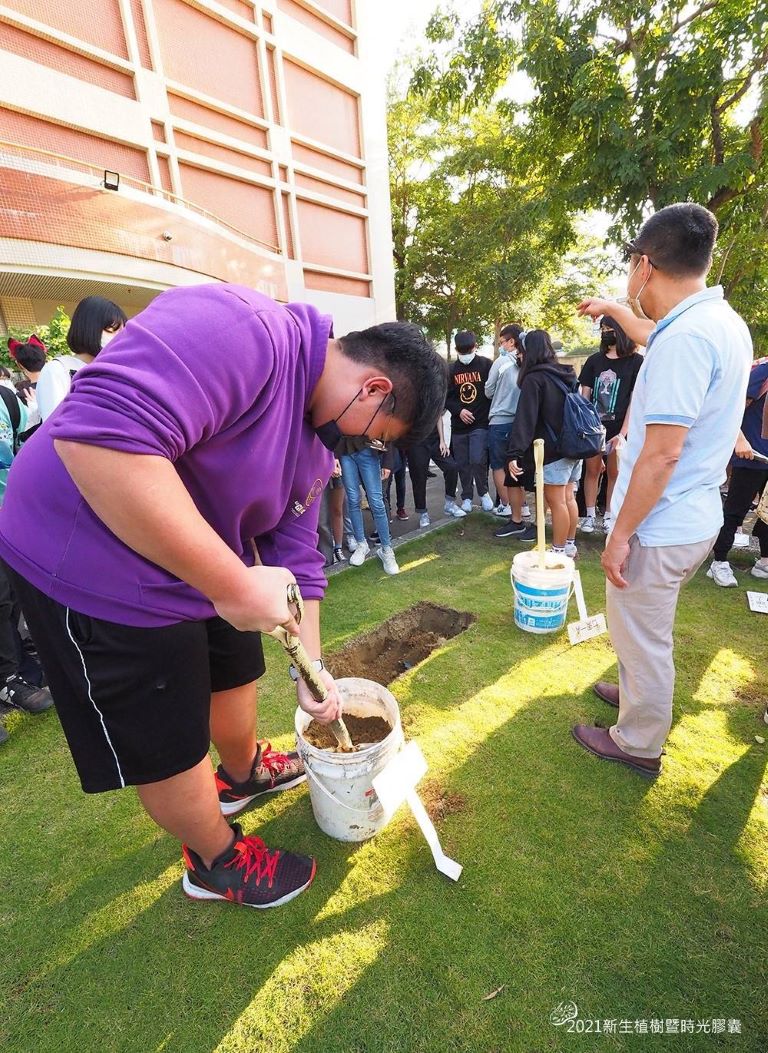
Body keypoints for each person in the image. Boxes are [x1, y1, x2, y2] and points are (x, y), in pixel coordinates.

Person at [0, 284, 446, 908]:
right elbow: (95, 438)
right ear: (372, 389)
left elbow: (297, 560)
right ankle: (214, 858)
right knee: (167, 723)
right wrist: (233, 584)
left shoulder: (314, 444)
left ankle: (240, 775)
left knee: (236, 662)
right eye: (375, 436)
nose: (362, 448)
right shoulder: (241, 330)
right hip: (88, 557)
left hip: (202, 557)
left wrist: (310, 669)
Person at [574, 202, 752, 777]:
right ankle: (636, 699)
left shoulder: (688, 338)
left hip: (660, 521)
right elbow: (654, 332)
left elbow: (663, 452)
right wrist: (613, 309)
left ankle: (637, 741)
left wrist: (619, 534)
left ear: (644, 265)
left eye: (631, 271)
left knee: (642, 634)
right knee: (641, 626)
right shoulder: (717, 322)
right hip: (693, 515)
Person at [506, 329, 582, 555]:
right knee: (568, 497)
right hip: (574, 445)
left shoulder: (535, 378)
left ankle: (558, 550)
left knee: (556, 500)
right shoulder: (566, 373)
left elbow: (525, 419)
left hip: (551, 449)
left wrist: (514, 452)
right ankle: (568, 545)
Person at [578, 316, 644, 533]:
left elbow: (635, 400)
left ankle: (609, 515)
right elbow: (584, 398)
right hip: (593, 427)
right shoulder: (594, 361)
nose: (605, 332)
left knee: (615, 473)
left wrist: (624, 433)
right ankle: (588, 515)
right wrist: (586, 426)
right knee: (592, 470)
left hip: (620, 427)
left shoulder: (636, 362)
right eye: (603, 328)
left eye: (609, 328)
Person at [707, 356, 768, 586]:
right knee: (735, 510)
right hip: (751, 455)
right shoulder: (761, 372)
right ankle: (719, 562)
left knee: (767, 512)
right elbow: (732, 410)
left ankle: (764, 562)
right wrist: (740, 440)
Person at [36, 296, 127, 420]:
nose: (118, 338)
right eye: (111, 329)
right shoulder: (58, 370)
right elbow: (53, 427)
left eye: (122, 332)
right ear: (88, 327)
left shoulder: (113, 371)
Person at [487, 324, 536, 540]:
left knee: (499, 466)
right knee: (518, 468)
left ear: (512, 341)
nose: (502, 346)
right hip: (523, 423)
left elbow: (488, 390)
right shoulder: (531, 362)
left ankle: (508, 507)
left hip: (501, 420)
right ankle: (522, 507)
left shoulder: (502, 362)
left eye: (503, 342)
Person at [446, 331, 493, 512]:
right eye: (462, 352)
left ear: (475, 347)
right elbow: (446, 397)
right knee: (462, 463)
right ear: (457, 350)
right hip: (459, 426)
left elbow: (492, 391)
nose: (465, 355)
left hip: (480, 422)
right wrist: (459, 410)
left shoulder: (486, 365)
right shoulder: (450, 370)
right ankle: (466, 496)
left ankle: (483, 492)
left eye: (468, 351)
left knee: (477, 459)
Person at [341, 441, 399, 574]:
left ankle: (386, 549)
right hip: (345, 450)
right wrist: (335, 456)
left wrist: (387, 462)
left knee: (376, 502)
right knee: (353, 500)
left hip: (368, 448)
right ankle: (362, 544)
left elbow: (386, 426)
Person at [406, 413, 466, 527]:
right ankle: (423, 513)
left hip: (434, 439)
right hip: (416, 441)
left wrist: (442, 441)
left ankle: (450, 503)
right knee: (419, 477)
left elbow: (438, 416)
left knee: (451, 467)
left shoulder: (433, 396)